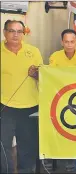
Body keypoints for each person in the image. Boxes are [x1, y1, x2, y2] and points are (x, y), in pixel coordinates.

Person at [1, 20, 43, 173]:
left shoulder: (33, 51)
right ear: (5, 32)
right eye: (12, 31)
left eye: (19, 31)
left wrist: (36, 74)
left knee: (27, 147)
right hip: (5, 106)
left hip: (30, 106)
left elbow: (43, 76)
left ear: (23, 34)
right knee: (3, 146)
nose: (15, 35)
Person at [47, 29, 76, 171]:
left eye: (72, 41)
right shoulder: (55, 56)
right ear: (62, 42)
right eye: (66, 42)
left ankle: (71, 159)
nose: (69, 45)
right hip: (59, 98)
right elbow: (52, 76)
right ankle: (54, 157)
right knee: (57, 129)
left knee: (73, 129)